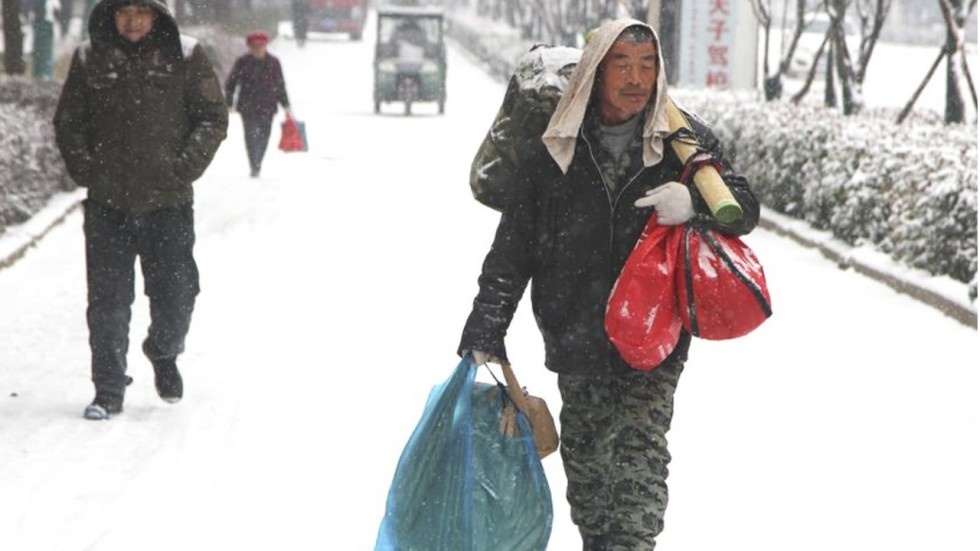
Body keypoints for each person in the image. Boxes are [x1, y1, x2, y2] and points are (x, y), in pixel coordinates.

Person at [458, 18, 760, 550]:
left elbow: (745, 206)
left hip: (653, 338)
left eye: (647, 65)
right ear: (596, 72)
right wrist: (487, 324)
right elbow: (512, 249)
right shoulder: (554, 150)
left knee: (640, 471)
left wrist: (692, 203)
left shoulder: (682, 144)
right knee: (591, 477)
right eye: (622, 64)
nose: (636, 78)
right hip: (576, 334)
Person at [53, 0, 228, 420]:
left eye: (141, 12)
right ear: (111, 16)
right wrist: (87, 169)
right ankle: (108, 389)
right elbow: (69, 121)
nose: (132, 22)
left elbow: (212, 117)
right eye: (123, 12)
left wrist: (184, 166)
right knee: (108, 301)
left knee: (176, 294)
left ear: (157, 16)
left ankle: (163, 351)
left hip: (167, 203)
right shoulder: (90, 56)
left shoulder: (184, 55)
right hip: (107, 204)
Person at [224, 31, 291, 178]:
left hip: (268, 106)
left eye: (261, 45)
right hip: (247, 107)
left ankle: (258, 162)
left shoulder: (274, 63)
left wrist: (286, 106)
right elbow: (231, 83)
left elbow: (280, 85)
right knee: (250, 136)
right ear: (250, 47)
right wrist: (229, 102)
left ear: (266, 46)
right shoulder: (243, 62)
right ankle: (254, 164)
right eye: (255, 46)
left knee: (264, 136)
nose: (258, 49)